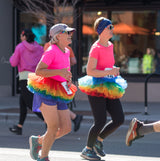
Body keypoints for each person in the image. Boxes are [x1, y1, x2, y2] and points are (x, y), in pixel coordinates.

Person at [78, 17, 127, 160]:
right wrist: (108, 72)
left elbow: (105, 66)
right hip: (96, 86)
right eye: (109, 27)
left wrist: (113, 70)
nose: (112, 29)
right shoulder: (96, 48)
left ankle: (98, 141)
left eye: (112, 27)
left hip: (110, 85)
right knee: (100, 120)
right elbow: (90, 71)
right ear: (101, 30)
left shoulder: (110, 45)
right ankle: (87, 149)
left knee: (119, 119)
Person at [27, 23, 77, 161]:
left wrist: (67, 78)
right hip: (46, 90)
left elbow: (63, 71)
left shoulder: (66, 51)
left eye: (70, 32)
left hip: (60, 90)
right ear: (58, 35)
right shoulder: (51, 50)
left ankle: (39, 141)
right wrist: (59, 72)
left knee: (66, 128)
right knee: (53, 127)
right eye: (67, 32)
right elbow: (39, 71)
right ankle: (44, 157)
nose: (70, 35)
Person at [9, 29, 44, 135]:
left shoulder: (20, 47)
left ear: (24, 36)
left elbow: (13, 62)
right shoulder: (39, 48)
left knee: (30, 104)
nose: (20, 37)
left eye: (21, 35)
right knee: (23, 102)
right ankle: (19, 126)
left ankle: (48, 121)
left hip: (25, 77)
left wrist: (12, 56)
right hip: (36, 77)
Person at [44, 41, 83, 132]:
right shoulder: (68, 48)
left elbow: (45, 62)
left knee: (51, 102)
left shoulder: (48, 46)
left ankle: (50, 127)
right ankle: (74, 118)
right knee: (57, 102)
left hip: (52, 79)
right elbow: (74, 61)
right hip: (64, 78)